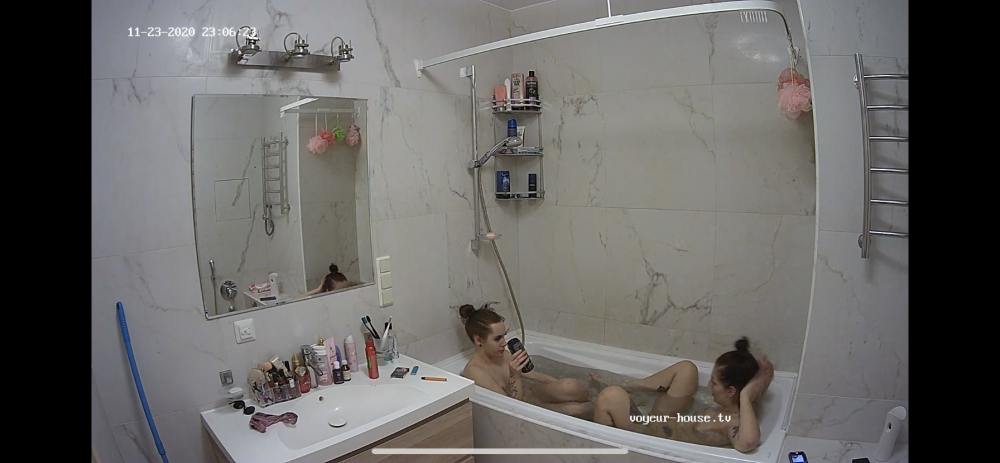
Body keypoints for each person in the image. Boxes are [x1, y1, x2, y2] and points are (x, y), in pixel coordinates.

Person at [589, 337, 774, 453]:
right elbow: (763, 377)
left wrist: (745, 396)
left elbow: (749, 441)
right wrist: (758, 382)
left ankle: (600, 450)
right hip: (663, 421)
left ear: (732, 391)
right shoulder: (740, 407)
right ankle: (630, 385)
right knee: (687, 369)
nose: (709, 385)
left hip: (651, 434)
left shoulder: (734, 422)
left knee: (609, 396)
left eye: (714, 382)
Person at [458, 304, 594, 419]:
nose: (504, 343)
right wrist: (514, 375)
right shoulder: (475, 371)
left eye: (504, 336)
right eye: (497, 338)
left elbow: (534, 375)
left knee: (571, 385)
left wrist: (559, 384)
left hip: (531, 393)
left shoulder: (500, 354)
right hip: (524, 407)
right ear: (479, 340)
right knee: (579, 410)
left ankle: (595, 399)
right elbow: (511, 409)